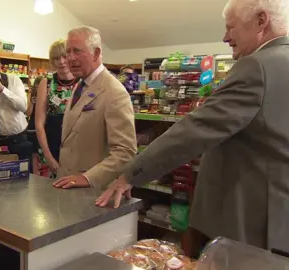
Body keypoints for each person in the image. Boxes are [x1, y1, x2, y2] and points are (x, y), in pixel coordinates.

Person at [96, 0, 289, 255]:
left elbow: (194, 130)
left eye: (231, 28)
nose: (225, 37)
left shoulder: (257, 67)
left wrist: (130, 174)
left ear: (261, 21)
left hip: (251, 226)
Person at [53, 26, 137, 189]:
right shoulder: (80, 85)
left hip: (93, 193)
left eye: (77, 51)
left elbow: (125, 152)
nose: (70, 58)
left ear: (97, 53)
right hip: (68, 188)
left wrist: (88, 177)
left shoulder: (114, 92)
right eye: (68, 52)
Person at [35, 39, 78, 178]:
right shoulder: (46, 82)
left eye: (64, 56)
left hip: (77, 148)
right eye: (56, 58)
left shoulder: (83, 82)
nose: (61, 61)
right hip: (51, 144)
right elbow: (39, 123)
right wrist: (48, 157)